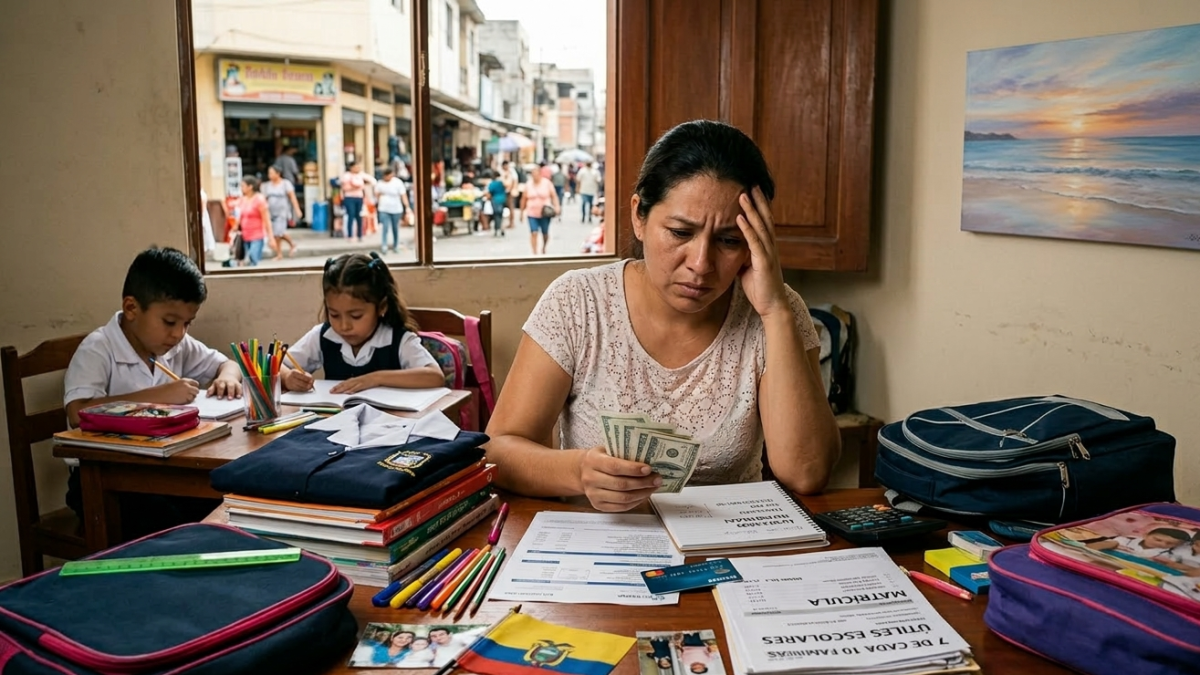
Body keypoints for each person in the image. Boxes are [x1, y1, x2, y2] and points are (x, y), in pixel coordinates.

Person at [484, 120, 840, 512]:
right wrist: (577, 471)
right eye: (680, 233)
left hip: (728, 551)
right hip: (601, 548)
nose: (701, 264)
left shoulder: (776, 311)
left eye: (729, 241)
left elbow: (807, 472)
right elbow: (499, 451)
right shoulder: (578, 302)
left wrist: (775, 311)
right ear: (639, 216)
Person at [62, 247, 243, 531]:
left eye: (187, 323)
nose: (179, 333)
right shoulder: (99, 348)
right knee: (172, 527)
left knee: (224, 504)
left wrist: (227, 378)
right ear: (132, 308)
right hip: (100, 481)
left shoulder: (174, 345)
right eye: (170, 322)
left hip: (159, 472)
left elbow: (227, 363)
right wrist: (157, 398)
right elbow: (77, 411)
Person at [280, 252, 445, 394]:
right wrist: (287, 377)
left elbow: (434, 376)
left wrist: (376, 378)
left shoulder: (398, 340)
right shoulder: (323, 336)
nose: (344, 326)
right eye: (335, 315)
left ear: (381, 307)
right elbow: (272, 364)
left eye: (356, 316)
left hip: (389, 425)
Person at [232, 175, 273, 266]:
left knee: (253, 258)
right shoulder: (243, 200)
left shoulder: (260, 199)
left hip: (257, 236)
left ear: (250, 187)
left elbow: (266, 220)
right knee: (245, 260)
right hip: (245, 235)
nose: (241, 188)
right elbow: (239, 215)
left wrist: (271, 237)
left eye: (243, 186)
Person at [521, 163, 561, 255]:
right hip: (531, 212)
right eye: (533, 174)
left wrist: (557, 206)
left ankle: (544, 247)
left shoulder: (547, 183)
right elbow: (524, 198)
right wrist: (522, 212)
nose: (534, 176)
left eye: (536, 173)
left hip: (544, 212)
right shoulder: (528, 184)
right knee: (533, 232)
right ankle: (534, 252)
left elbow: (554, 196)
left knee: (545, 233)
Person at [262, 166, 301, 260]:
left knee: (278, 233)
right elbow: (264, 199)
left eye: (271, 173)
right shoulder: (267, 185)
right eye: (269, 173)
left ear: (278, 173)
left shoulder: (285, 184)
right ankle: (286, 249)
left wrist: (297, 210)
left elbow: (292, 197)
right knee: (277, 234)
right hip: (271, 212)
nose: (269, 175)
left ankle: (283, 251)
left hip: (282, 212)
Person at [1086, 528, 1192, 559]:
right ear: (1145, 535)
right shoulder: (1126, 540)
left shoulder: (1167, 555)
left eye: (1169, 544)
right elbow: (1102, 545)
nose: (1163, 545)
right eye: (1158, 540)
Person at [376, 167, 411, 254]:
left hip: (396, 208)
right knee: (385, 228)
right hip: (384, 208)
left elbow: (403, 195)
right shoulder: (380, 183)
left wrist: (407, 207)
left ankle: (396, 245)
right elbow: (377, 195)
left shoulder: (397, 182)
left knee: (395, 228)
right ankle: (384, 245)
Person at [339, 162, 376, 242]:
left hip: (359, 198)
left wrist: (363, 180)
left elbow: (373, 181)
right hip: (349, 198)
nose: (357, 169)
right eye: (355, 167)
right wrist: (356, 187)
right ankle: (350, 235)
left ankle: (360, 235)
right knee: (351, 216)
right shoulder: (346, 176)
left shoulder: (360, 175)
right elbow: (345, 187)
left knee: (359, 216)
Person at [487, 169, 507, 237]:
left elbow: (489, 192)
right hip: (502, 199)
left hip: (495, 200)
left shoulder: (492, 184)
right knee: (501, 215)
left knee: (496, 215)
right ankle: (502, 228)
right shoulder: (502, 183)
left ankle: (496, 229)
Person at [500, 161, 519, 229]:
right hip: (505, 191)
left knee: (511, 207)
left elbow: (514, 181)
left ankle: (511, 222)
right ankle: (508, 222)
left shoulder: (512, 172)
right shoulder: (503, 172)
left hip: (510, 192)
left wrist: (511, 189)